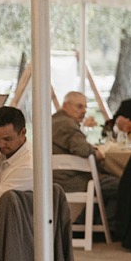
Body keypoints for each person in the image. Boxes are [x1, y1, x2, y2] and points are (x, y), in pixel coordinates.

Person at [53, 91, 120, 225]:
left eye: (85, 107)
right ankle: (105, 226)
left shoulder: (52, 120)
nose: (84, 111)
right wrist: (96, 153)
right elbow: (83, 150)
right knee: (122, 185)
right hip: (71, 180)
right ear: (65, 106)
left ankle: (88, 223)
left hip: (53, 178)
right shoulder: (67, 125)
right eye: (79, 106)